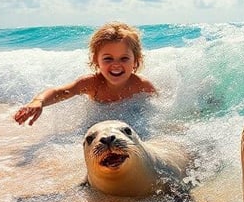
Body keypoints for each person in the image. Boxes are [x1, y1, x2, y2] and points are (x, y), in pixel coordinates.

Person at [14, 22, 158, 126]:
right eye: (108, 58)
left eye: (124, 58)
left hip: (131, 126)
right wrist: (39, 101)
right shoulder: (91, 84)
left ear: (136, 60)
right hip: (95, 125)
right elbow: (60, 91)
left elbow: (157, 114)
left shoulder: (142, 86)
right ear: (96, 60)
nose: (116, 64)